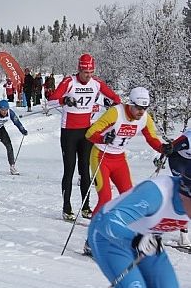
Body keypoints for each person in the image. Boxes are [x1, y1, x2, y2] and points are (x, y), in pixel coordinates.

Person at [48, 53, 121, 221]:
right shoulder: (69, 82)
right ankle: (67, 207)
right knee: (69, 169)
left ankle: (86, 207)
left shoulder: (96, 83)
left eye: (91, 72)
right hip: (69, 132)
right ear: (79, 70)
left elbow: (115, 98)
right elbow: (51, 100)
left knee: (85, 170)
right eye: (85, 72)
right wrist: (64, 101)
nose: (88, 76)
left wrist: (116, 106)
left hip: (86, 132)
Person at [87, 172, 191, 287]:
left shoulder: (185, 200)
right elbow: (107, 222)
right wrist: (136, 240)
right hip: (110, 238)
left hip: (148, 243)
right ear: (184, 192)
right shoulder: (157, 192)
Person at [85, 87, 170, 216]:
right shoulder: (116, 112)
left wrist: (162, 148)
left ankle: (123, 227)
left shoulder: (145, 118)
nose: (141, 111)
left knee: (128, 197)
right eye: (138, 107)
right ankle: (94, 233)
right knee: (105, 198)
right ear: (130, 104)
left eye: (145, 108)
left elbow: (152, 138)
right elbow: (90, 134)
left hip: (119, 159)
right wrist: (103, 138)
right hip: (100, 156)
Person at [0, 100, 27, 175]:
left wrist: (22, 130)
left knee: (8, 144)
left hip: (0, 129)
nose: (4, 112)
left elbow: (17, 122)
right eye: (2, 110)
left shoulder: (10, 113)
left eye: (6, 110)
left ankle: (12, 166)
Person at [168, 129, 191, 247]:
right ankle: (183, 236)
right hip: (178, 160)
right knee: (184, 195)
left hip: (189, 162)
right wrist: (167, 149)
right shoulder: (187, 139)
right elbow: (171, 148)